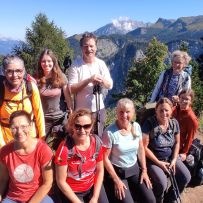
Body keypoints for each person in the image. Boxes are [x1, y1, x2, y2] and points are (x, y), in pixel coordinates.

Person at [102, 98, 156, 203]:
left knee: (151, 199)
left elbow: (141, 149)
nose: (124, 115)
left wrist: (144, 170)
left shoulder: (136, 126)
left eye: (128, 112)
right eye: (121, 112)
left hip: (134, 168)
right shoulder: (109, 132)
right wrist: (116, 180)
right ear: (116, 113)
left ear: (133, 113)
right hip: (119, 172)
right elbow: (105, 158)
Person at [142, 98, 191, 202]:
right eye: (161, 110)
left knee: (185, 177)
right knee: (162, 183)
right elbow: (144, 147)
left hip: (170, 158)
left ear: (171, 110)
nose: (164, 113)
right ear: (156, 110)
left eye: (167, 110)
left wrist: (174, 160)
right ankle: (158, 199)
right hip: (154, 160)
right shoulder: (149, 124)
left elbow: (177, 143)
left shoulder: (174, 123)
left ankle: (170, 199)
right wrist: (159, 163)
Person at [54, 108, 109, 203]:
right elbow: (61, 182)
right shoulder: (65, 149)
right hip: (73, 192)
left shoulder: (96, 143)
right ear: (72, 126)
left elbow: (100, 170)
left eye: (86, 126)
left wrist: (95, 197)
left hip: (92, 186)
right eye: (77, 126)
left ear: (91, 126)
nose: (82, 130)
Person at [0, 110, 53, 203]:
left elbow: (47, 183)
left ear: (31, 126)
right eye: (14, 128)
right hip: (13, 197)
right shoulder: (5, 152)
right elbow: (3, 179)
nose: (19, 132)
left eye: (23, 126)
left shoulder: (43, 149)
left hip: (38, 196)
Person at [68, 32, 113, 137]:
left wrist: (102, 80)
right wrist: (89, 80)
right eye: (86, 46)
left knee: (99, 138)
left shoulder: (101, 64)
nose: (89, 49)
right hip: (81, 112)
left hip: (99, 110)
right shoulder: (76, 65)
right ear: (81, 48)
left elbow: (109, 85)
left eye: (91, 46)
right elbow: (71, 89)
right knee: (83, 139)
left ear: (96, 47)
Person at [0, 55, 45, 147]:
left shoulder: (30, 87)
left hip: (30, 139)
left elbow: (39, 113)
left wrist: (41, 139)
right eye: (9, 71)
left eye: (18, 71)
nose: (14, 75)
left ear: (24, 71)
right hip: (7, 141)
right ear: (4, 72)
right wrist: (2, 146)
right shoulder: (1, 89)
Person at [37, 49, 73, 137]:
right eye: (43, 61)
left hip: (60, 118)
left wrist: (71, 113)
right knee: (42, 145)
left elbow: (68, 97)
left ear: (53, 62)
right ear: (40, 63)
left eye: (49, 61)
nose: (46, 64)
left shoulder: (61, 77)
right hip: (44, 119)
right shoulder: (37, 79)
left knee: (63, 144)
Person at [173, 89, 198, 161]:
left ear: (191, 102)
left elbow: (190, 137)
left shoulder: (192, 119)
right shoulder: (174, 109)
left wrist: (184, 153)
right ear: (179, 98)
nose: (183, 101)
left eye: (187, 99)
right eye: (182, 98)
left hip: (176, 146)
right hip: (166, 140)